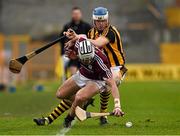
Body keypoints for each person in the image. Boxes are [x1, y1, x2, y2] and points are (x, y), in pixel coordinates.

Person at [64, 7, 127, 125]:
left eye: (103, 20)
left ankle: (106, 113)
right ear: (94, 21)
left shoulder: (111, 31)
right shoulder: (91, 32)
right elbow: (88, 48)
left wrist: (78, 37)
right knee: (75, 94)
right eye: (98, 21)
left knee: (110, 82)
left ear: (107, 20)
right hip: (100, 64)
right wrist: (73, 47)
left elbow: (99, 43)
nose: (101, 23)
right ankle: (86, 103)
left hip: (116, 67)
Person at [59, 7, 91, 80]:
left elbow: (91, 38)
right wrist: (63, 53)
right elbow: (62, 40)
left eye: (78, 13)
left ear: (81, 14)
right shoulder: (67, 26)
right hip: (70, 53)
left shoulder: (86, 26)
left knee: (83, 73)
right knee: (71, 72)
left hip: (84, 53)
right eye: (74, 14)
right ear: (72, 15)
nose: (76, 15)